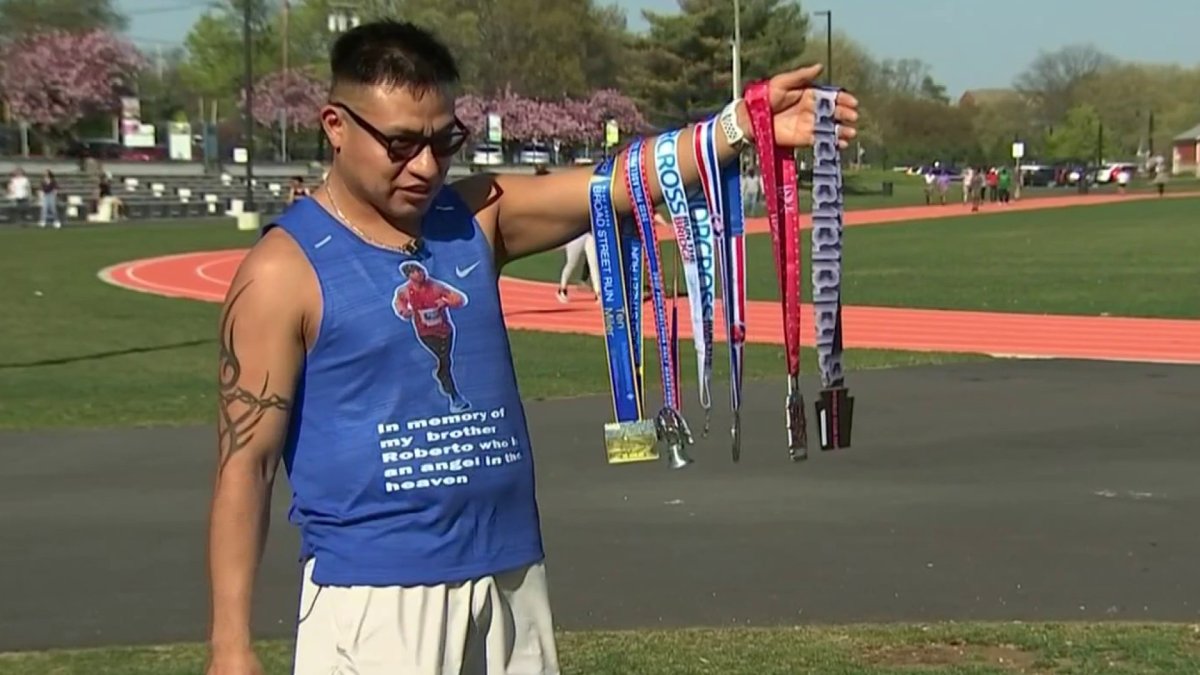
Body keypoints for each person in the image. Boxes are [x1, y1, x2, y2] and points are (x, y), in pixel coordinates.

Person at [204, 19, 857, 675]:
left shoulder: (474, 217)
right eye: (401, 143)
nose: (427, 165)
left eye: (443, 140)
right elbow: (247, 463)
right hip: (378, 596)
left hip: (511, 573)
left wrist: (738, 128)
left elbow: (616, 185)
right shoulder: (281, 271)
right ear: (335, 126)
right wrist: (230, 645)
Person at [393, 260, 471, 411]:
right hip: (425, 333)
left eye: (421, 270)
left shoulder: (436, 287)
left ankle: (442, 375)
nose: (421, 273)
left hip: (445, 331)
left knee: (445, 360)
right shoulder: (404, 291)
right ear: (409, 276)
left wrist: (446, 301)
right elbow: (399, 303)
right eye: (416, 272)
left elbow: (459, 299)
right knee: (444, 361)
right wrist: (404, 312)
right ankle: (455, 396)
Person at [555, 232, 599, 303]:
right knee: (571, 264)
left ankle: (598, 292)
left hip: (591, 235)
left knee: (594, 265)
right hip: (576, 235)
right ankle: (562, 289)